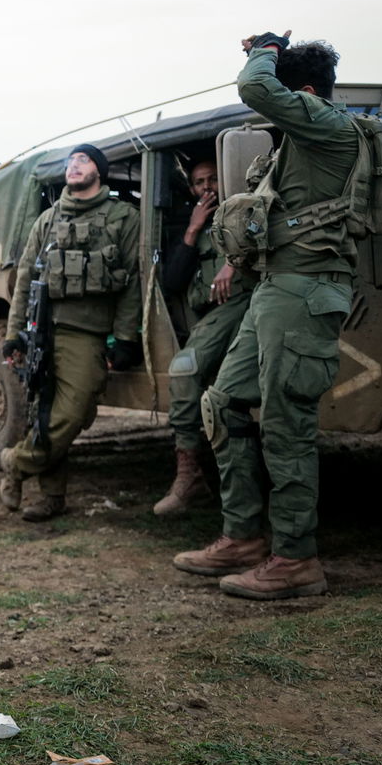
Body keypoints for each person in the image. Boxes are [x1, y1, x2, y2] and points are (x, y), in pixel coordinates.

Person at [174, 33, 363, 600]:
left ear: (302, 93)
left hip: (306, 291)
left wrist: (265, 48)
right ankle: (242, 537)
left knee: (286, 422)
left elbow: (254, 84)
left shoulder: (328, 126)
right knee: (224, 401)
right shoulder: (298, 146)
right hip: (275, 288)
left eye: (285, 95)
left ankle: (295, 558)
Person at [0, 144, 142, 521]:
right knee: (41, 410)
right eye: (71, 161)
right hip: (42, 329)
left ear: (100, 170)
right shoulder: (47, 220)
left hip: (88, 331)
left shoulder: (123, 217)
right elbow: (25, 280)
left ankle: (16, 462)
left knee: (72, 412)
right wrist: (14, 334)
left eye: (83, 159)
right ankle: (51, 496)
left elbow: (133, 283)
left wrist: (126, 338)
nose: (74, 165)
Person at [152, 160, 257, 514]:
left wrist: (234, 260)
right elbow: (172, 282)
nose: (208, 187)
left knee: (184, 368)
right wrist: (193, 230)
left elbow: (266, 237)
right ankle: (193, 476)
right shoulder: (190, 219)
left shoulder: (249, 203)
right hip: (207, 314)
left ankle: (189, 477)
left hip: (243, 301)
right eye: (199, 182)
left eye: (214, 178)